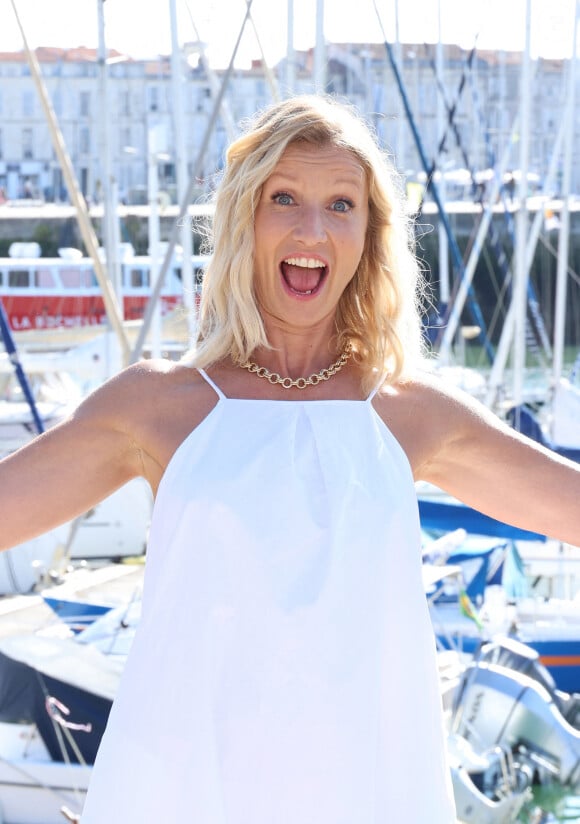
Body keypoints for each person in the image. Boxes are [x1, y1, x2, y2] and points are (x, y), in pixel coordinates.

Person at [0, 94, 579, 823]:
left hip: (369, 792)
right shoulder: (156, 407)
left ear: (370, 235)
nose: (313, 229)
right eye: (285, 198)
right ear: (246, 218)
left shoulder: (413, 416)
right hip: (182, 791)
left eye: (342, 204)